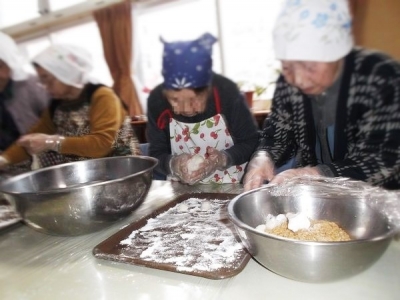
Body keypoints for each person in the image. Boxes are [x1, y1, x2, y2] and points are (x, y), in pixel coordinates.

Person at [244, 0, 400, 190]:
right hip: (320, 196)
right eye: (288, 67)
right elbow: (276, 137)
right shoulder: (288, 84)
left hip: (382, 199)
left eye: (309, 67)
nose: (299, 80)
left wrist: (317, 174)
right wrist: (263, 157)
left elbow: (385, 158)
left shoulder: (380, 76)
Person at [0, 44, 140, 172]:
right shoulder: (57, 106)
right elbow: (31, 139)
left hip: (122, 172)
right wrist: (4, 159)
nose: (45, 86)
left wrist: (51, 142)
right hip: (89, 175)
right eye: (41, 81)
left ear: (65, 72)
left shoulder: (102, 96)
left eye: (47, 79)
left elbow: (102, 144)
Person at [147, 33, 259, 184]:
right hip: (181, 188)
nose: (185, 109)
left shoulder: (228, 93)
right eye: (175, 99)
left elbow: (251, 142)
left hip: (230, 184)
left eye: (194, 99)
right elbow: (156, 154)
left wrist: (221, 159)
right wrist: (172, 164)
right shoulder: (157, 101)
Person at [0, 31, 50, 151]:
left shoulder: (34, 85)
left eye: (0, 66)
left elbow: (55, 121)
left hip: (43, 155)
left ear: (10, 61)